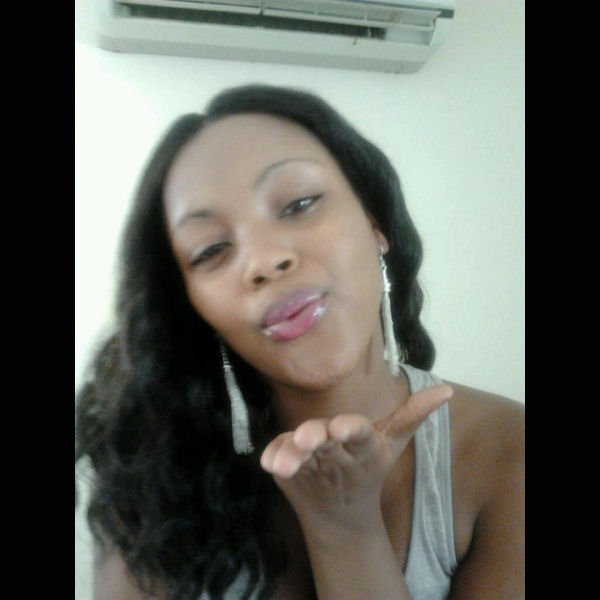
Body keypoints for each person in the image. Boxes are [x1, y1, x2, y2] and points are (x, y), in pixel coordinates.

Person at [75, 84, 524, 600]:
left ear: (374, 223)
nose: (264, 260)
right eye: (211, 250)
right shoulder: (146, 470)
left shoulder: (509, 450)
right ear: (194, 306)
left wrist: (344, 524)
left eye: (299, 203)